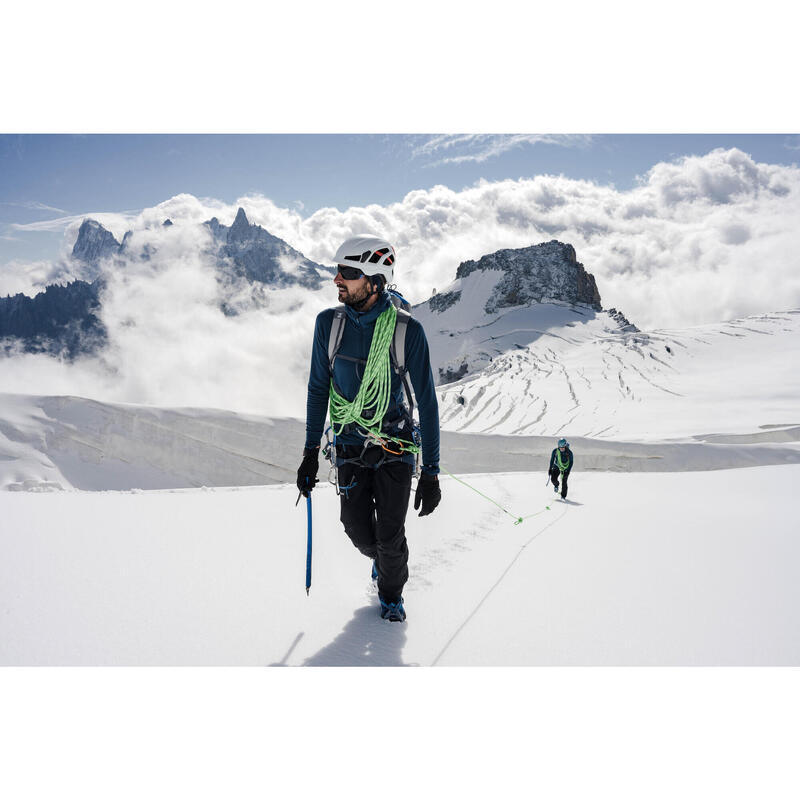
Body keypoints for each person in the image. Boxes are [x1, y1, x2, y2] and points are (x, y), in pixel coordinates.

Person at [296, 235, 441, 623]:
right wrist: (310, 453)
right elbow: (318, 389)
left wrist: (431, 472)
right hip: (348, 447)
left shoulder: (406, 331)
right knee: (358, 531)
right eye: (338, 271)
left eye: (348, 273)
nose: (337, 280)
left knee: (390, 538)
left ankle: (391, 595)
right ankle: (384, 559)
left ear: (375, 281)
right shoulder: (329, 325)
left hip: (394, 446)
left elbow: (427, 402)